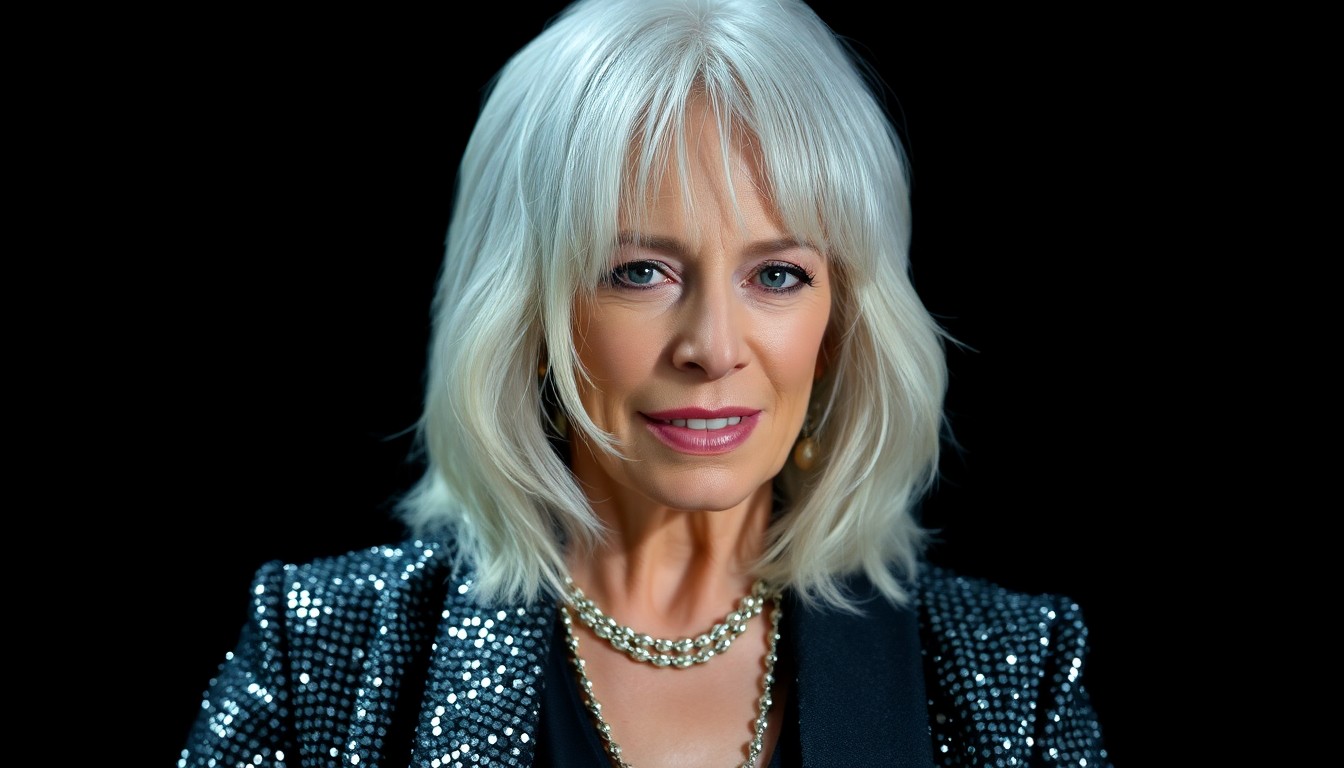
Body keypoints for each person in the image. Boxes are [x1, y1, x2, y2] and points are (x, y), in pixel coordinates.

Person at [179, 0, 1112, 765]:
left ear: (840, 328)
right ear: (530, 318)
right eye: (640, 273)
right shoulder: (323, 658)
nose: (711, 347)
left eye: (776, 276)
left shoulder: (1012, 673)